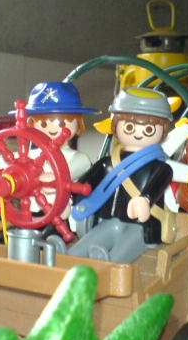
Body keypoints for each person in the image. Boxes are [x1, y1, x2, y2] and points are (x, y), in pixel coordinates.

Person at [69, 87, 173, 263]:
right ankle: (68, 256)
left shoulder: (160, 168)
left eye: (148, 129)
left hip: (142, 228)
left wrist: (145, 199)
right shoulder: (107, 163)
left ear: (163, 132)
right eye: (130, 126)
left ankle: (108, 264)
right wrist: (73, 195)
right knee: (81, 247)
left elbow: (156, 185)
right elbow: (85, 184)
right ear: (115, 126)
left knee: (118, 257)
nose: (138, 133)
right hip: (109, 221)